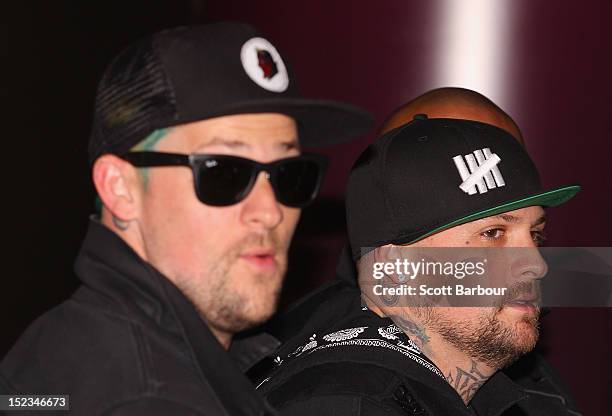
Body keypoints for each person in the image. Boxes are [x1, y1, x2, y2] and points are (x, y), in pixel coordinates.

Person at [0, 22, 371, 415]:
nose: (269, 211)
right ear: (120, 188)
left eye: (290, 175)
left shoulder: (74, 341)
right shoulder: (151, 398)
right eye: (223, 173)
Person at [257, 113, 582, 415]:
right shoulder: (347, 403)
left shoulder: (457, 392)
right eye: (493, 233)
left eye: (536, 235)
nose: (537, 265)